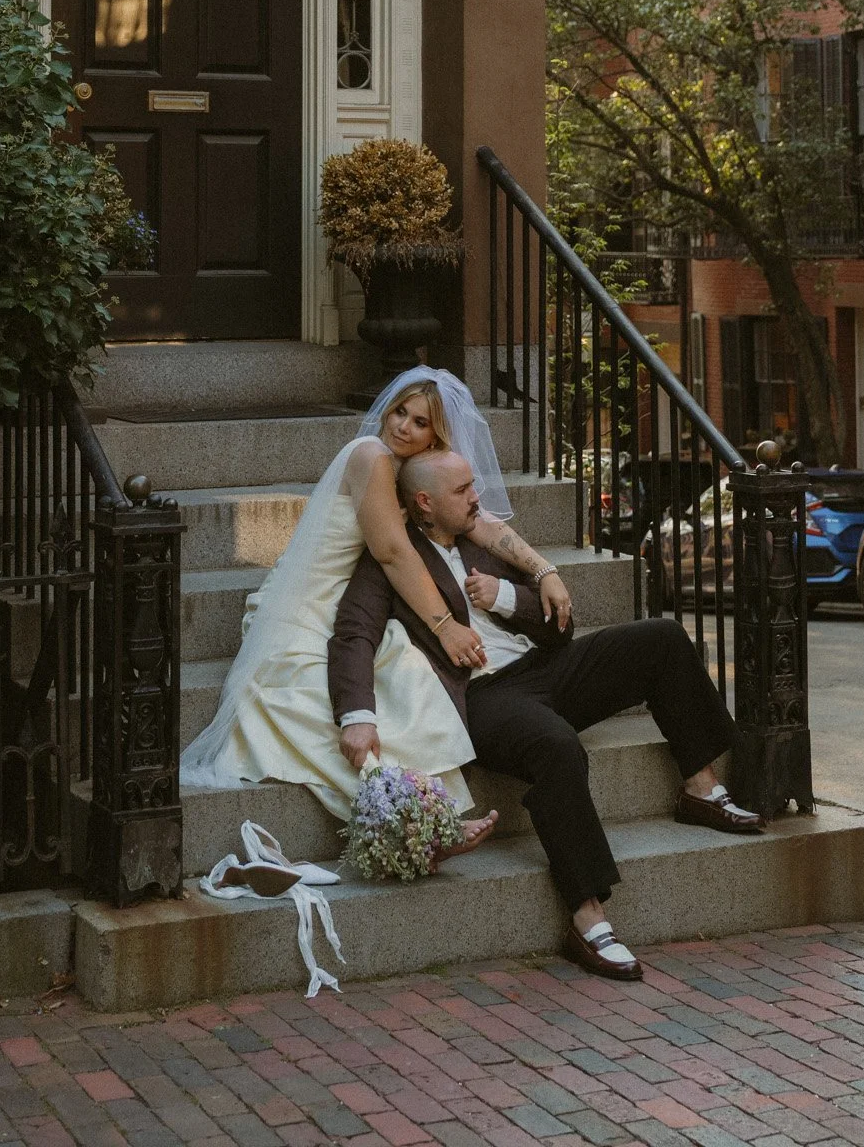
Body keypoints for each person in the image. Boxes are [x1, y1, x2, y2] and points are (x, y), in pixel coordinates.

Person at [328, 449, 765, 982]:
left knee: (662, 638)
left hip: (546, 667)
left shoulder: (479, 544)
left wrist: (507, 596)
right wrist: (356, 714)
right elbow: (353, 635)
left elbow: (559, 627)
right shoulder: (389, 561)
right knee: (557, 745)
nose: (476, 497)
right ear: (424, 502)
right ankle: (588, 918)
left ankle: (699, 788)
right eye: (463, 489)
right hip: (484, 697)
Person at [181, 367, 573, 833]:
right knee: (341, 703)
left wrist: (543, 569)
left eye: (420, 422)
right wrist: (445, 626)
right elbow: (391, 551)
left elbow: (481, 524)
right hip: (311, 604)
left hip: (355, 598)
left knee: (406, 681)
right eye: (399, 411)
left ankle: (421, 815)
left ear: (436, 436)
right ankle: (417, 823)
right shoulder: (370, 455)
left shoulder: (418, 473)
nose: (401, 425)